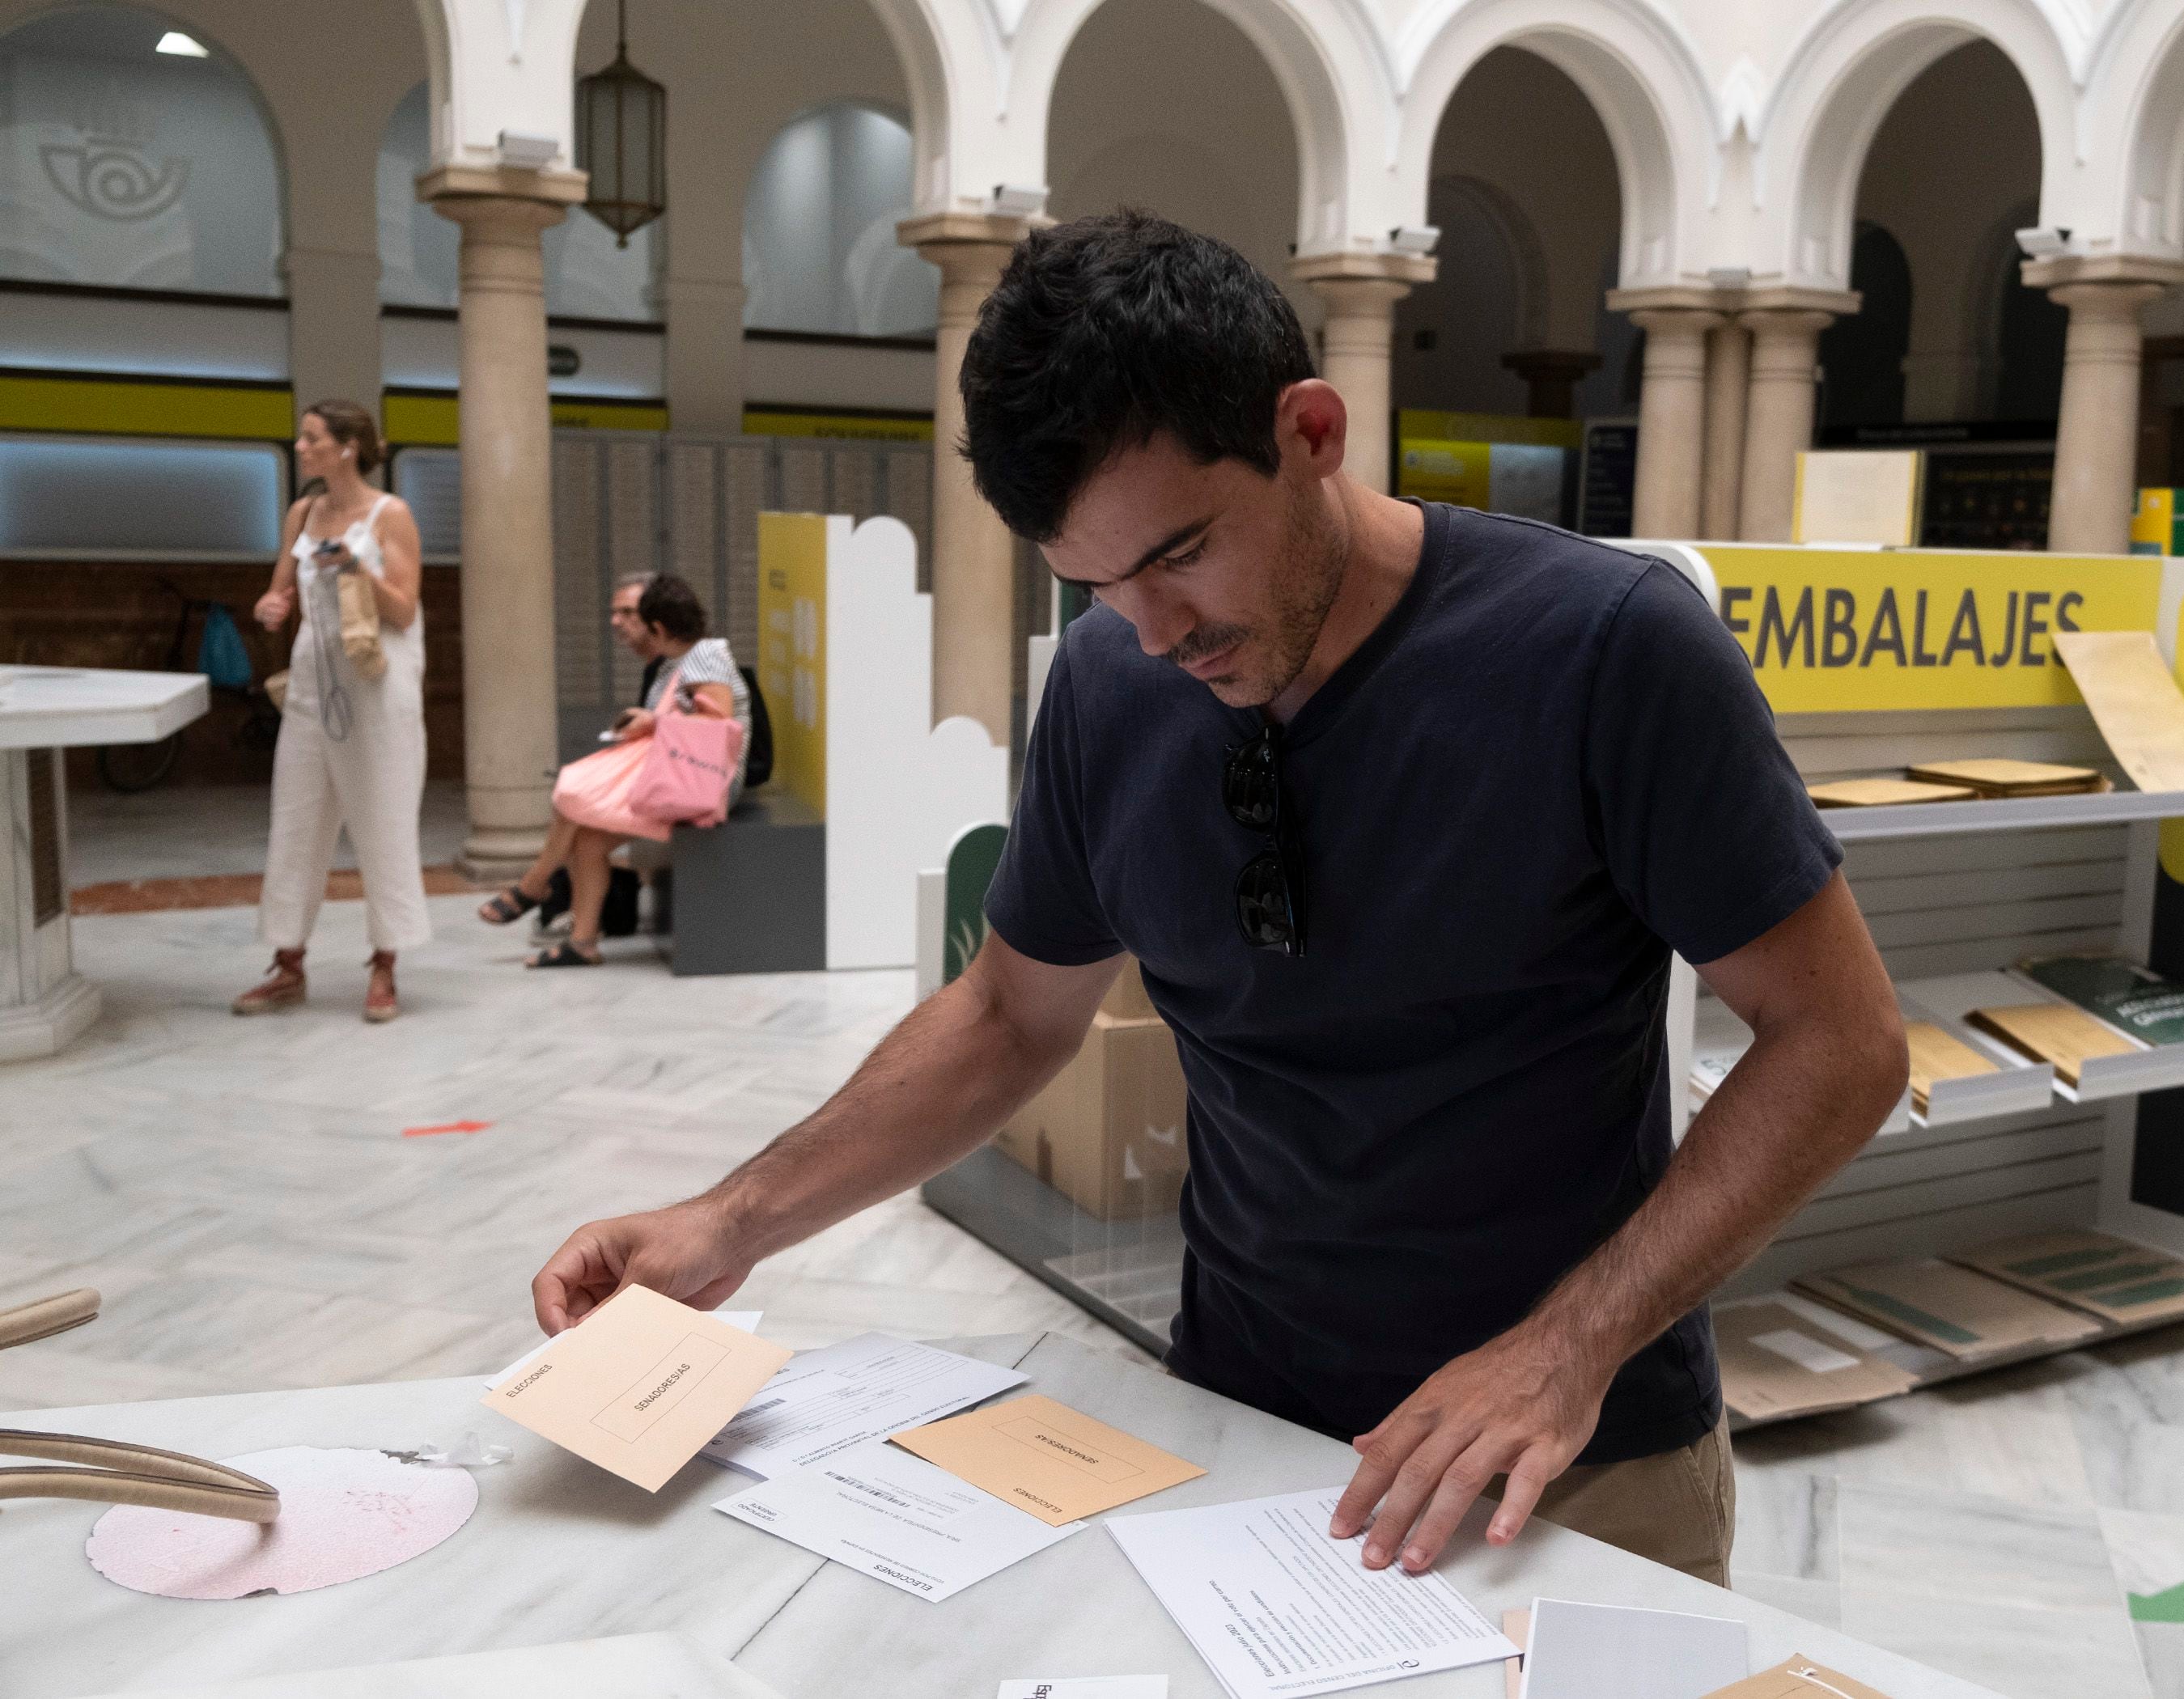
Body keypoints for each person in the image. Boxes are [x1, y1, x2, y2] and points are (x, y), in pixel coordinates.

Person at [529, 213, 1906, 1583]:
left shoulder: (1608, 653)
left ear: (1311, 431)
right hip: (1236, 1432)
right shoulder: (1111, 684)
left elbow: (1841, 1044)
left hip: (1570, 1463)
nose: (1156, 634)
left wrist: (1565, 1350)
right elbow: (1012, 1014)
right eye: (1095, 584)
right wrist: (734, 1219)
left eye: (1182, 552)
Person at [233, 401, 429, 1023]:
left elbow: (402, 610)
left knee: (383, 821)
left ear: (347, 446)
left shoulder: (390, 514)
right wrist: (270, 606)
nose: (299, 446)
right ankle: (288, 964)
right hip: (315, 682)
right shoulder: (303, 511)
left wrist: (359, 566)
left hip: (376, 684)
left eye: (312, 438)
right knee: (296, 820)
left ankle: (385, 964)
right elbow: (281, 590)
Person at [477, 573, 749, 965]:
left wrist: (653, 724)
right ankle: (582, 942)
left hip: (710, 783)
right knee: (586, 840)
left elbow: (718, 728)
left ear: (658, 627)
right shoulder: (678, 661)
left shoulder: (703, 657)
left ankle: (534, 885)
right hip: (685, 774)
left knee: (574, 796)